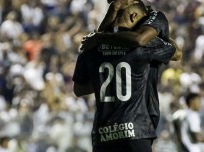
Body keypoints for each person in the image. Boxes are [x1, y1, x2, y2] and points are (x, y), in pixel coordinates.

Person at [80, 0, 182, 131]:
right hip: (133, 126)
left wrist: (100, 37)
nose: (113, 14)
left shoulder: (153, 19)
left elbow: (172, 51)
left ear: (125, 2)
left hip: (126, 122)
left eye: (113, 5)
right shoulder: (112, 36)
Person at [73, 22, 176, 152]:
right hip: (136, 130)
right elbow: (175, 51)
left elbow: (78, 90)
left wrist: (103, 80)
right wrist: (154, 30)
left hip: (104, 134)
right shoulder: (143, 47)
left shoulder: (90, 47)